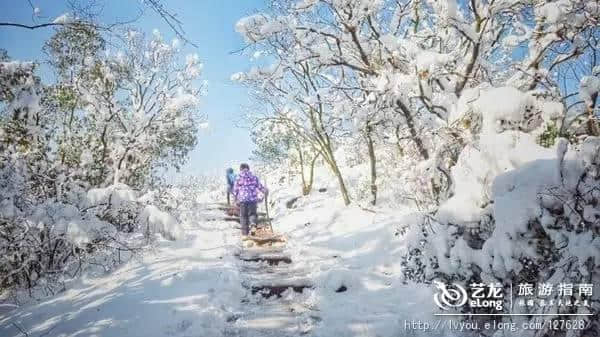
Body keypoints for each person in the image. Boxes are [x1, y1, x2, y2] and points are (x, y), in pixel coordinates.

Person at [233, 163, 268, 238]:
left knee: (243, 216)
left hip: (242, 200)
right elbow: (259, 186)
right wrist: (265, 190)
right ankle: (253, 224)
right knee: (252, 214)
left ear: (240, 169)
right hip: (252, 199)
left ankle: (245, 233)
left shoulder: (238, 178)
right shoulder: (254, 177)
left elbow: (235, 189)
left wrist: (235, 198)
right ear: (248, 169)